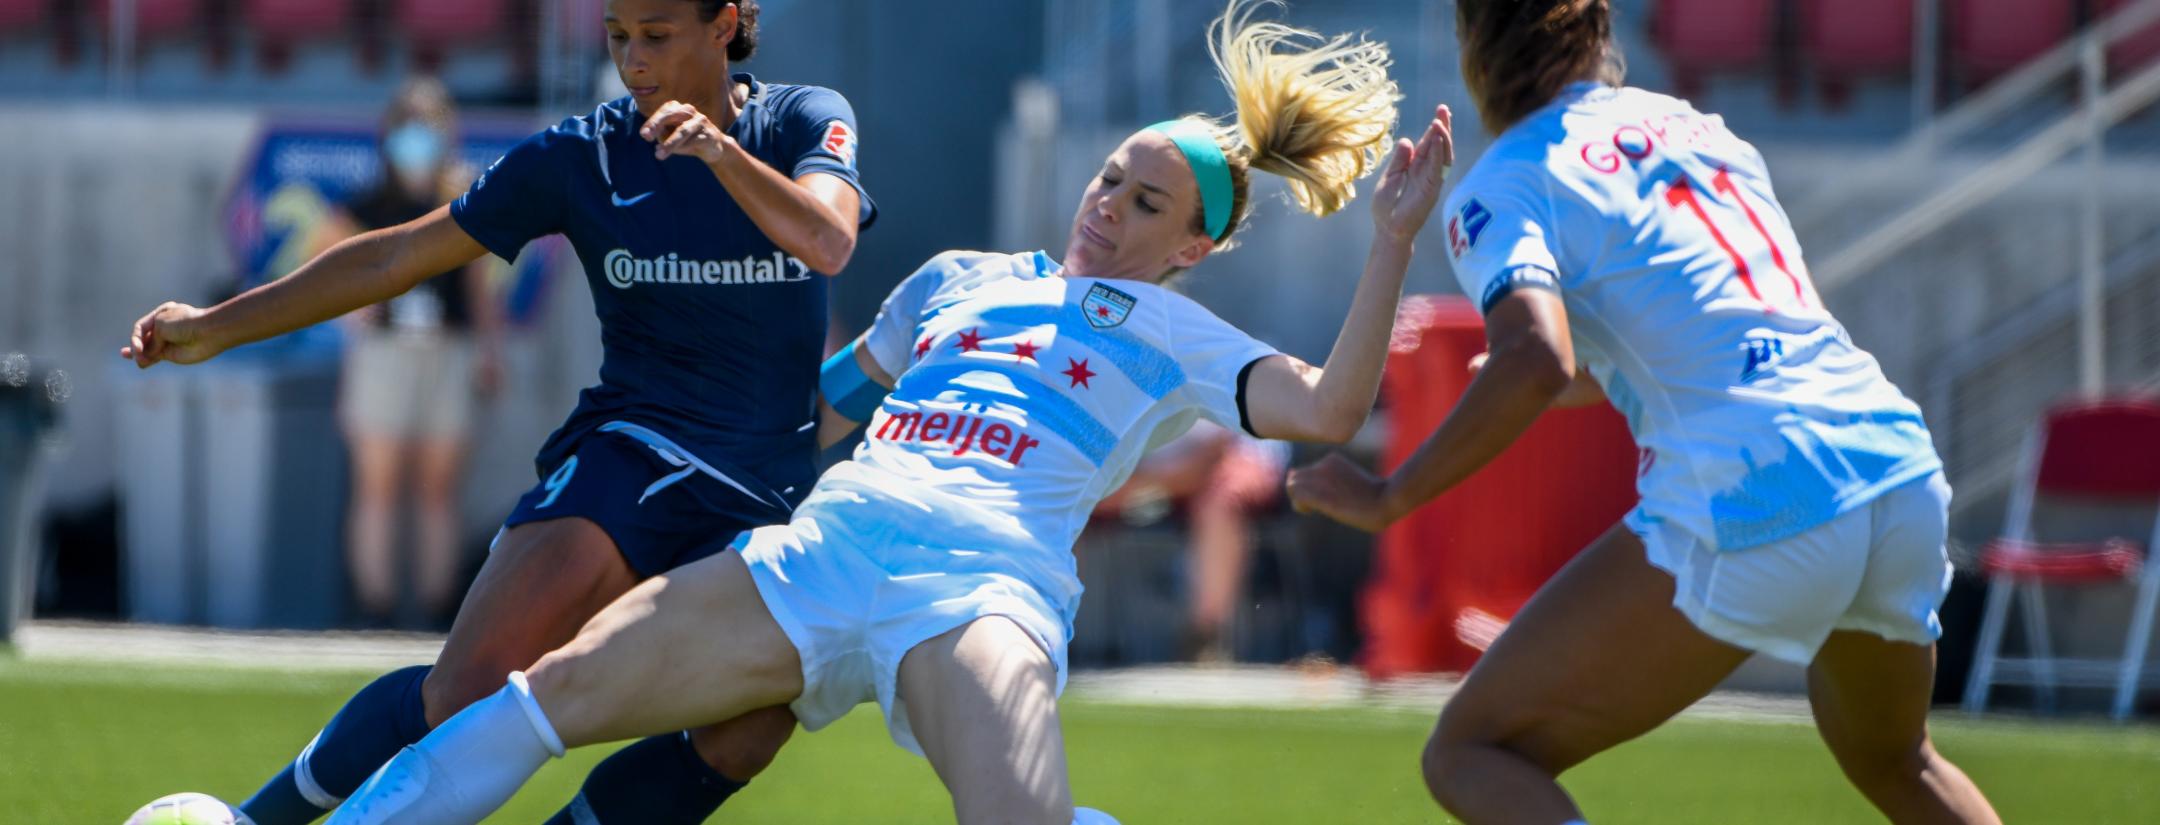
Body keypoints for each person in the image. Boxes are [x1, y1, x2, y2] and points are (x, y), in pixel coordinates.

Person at [316, 2, 1445, 822]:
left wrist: (1391, 244)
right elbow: (821, 410)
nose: (1109, 206)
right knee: (541, 695)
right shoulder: (958, 278)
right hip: (830, 544)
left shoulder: (1177, 331)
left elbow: (1329, 405)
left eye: (1147, 203)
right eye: (1109, 177)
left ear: (1191, 248)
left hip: (982, 584)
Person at [119, 1, 875, 822]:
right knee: (466, 691)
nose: (633, 61)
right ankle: (255, 818)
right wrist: (215, 326)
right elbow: (398, 255)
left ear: (724, 24)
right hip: (633, 454)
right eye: (618, 36)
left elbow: (828, 240)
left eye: (656, 36)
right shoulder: (583, 155)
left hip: (761, 491)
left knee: (747, 732)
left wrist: (719, 153)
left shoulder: (803, 119)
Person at [1285, 2, 2004, 824]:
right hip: (1891, 461)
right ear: (1599, 33)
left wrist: (1392, 495)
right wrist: (1559, 374)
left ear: (1475, 49)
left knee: (1471, 751)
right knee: (1901, 760)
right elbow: (1710, 334)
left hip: (1757, 484)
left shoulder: (1506, 179)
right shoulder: (1699, 129)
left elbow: (1536, 358)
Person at [322, 76, 504, 628]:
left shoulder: (464, 198)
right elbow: (324, 269)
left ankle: (435, 610)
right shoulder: (366, 204)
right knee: (376, 487)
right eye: (408, 128)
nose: (417, 140)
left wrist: (489, 350)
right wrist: (353, 313)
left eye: (428, 127)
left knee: (437, 490)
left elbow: (479, 286)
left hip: (448, 350)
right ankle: (374, 611)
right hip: (384, 353)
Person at [1089, 418, 1288, 660]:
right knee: (1077, 498)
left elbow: (1214, 449)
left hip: (1239, 460)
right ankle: (1062, 628)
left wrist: (1152, 483)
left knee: (1219, 501)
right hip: (1164, 472)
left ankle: (1205, 636)